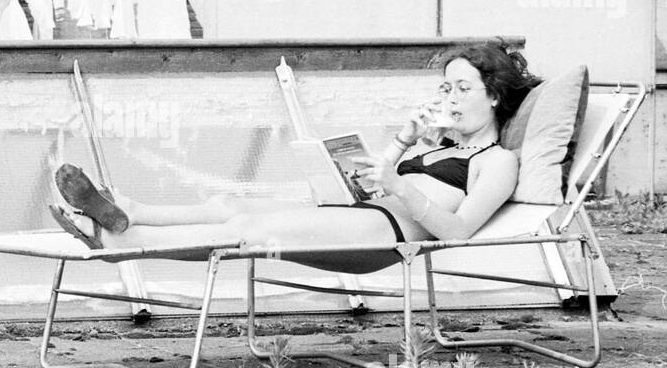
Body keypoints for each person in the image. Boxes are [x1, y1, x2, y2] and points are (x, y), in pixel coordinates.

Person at [49, 40, 541, 267]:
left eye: (462, 89)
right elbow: (377, 183)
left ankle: (123, 246)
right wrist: (404, 142)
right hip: (359, 214)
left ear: (494, 95)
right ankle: (127, 213)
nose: (449, 98)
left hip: (382, 238)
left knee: (250, 232)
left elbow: (456, 233)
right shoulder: (439, 148)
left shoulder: (497, 161)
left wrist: (398, 183)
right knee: (232, 207)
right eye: (445, 88)